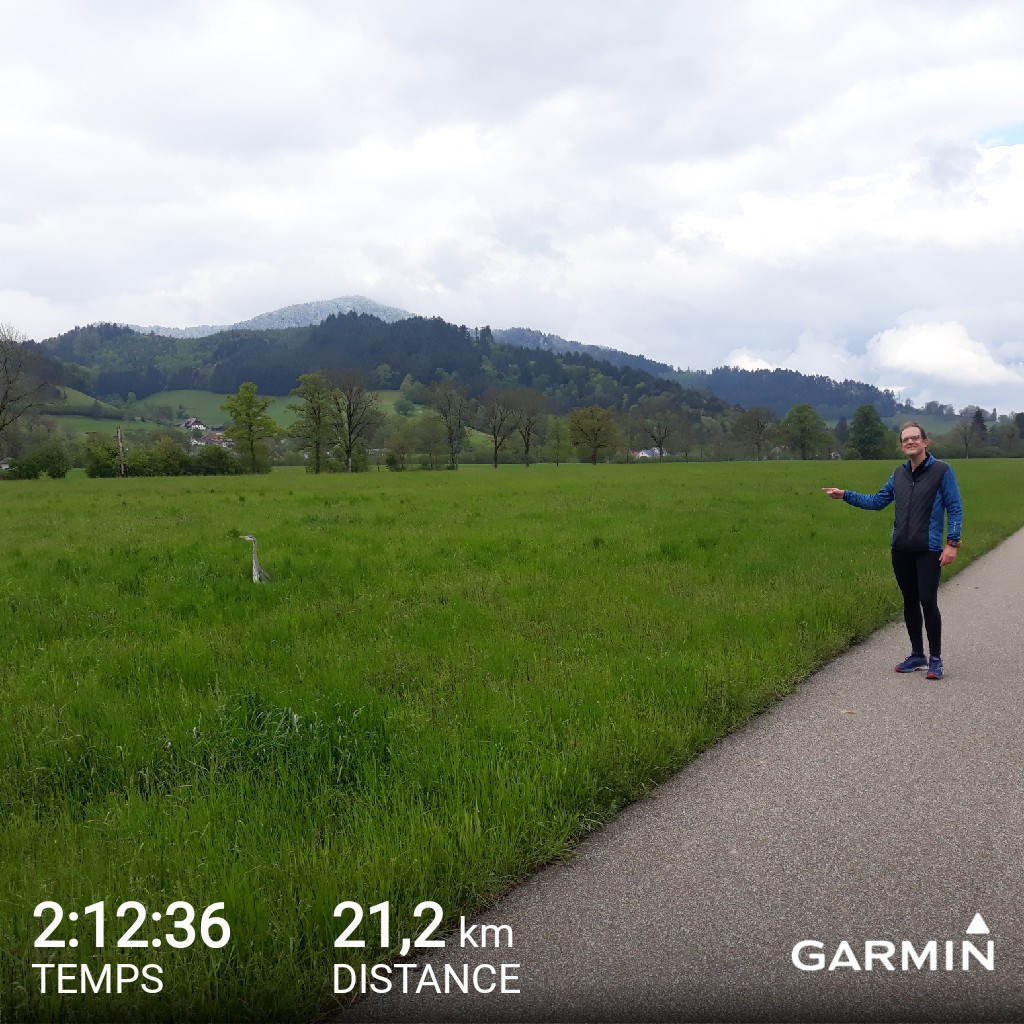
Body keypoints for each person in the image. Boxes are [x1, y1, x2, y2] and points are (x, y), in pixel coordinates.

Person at [822, 422, 963, 680]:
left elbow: (954, 507)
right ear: (901, 445)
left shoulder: (942, 470)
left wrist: (952, 543)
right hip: (900, 548)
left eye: (915, 438)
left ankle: (935, 659)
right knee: (909, 600)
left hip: (928, 548)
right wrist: (845, 495)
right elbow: (878, 501)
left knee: (927, 600)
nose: (910, 442)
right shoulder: (899, 474)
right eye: (905, 439)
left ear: (925, 442)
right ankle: (917, 655)